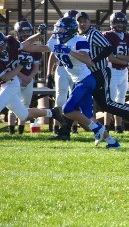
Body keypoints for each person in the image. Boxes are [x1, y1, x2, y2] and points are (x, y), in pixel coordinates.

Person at [22, 18, 119, 148]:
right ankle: (112, 142)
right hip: (79, 81)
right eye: (57, 27)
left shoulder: (79, 40)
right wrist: (39, 34)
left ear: (70, 29)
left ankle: (97, 131)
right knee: (90, 118)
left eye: (61, 28)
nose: (57, 30)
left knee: (67, 110)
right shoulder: (55, 40)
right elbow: (25, 46)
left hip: (86, 80)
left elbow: (89, 61)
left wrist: (69, 51)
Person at [2, 29, 66, 135]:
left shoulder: (10, 42)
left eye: (3, 45)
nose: (3, 48)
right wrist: (21, 66)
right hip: (6, 82)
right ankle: (52, 112)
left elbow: (25, 44)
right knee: (23, 114)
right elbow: (4, 77)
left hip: (11, 84)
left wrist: (40, 33)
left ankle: (17, 131)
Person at [6, 21, 42, 134]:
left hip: (28, 79)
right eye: (23, 31)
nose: (26, 34)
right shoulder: (13, 47)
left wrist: (29, 77)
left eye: (28, 31)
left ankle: (20, 131)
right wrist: (22, 76)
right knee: (13, 106)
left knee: (25, 105)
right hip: (15, 78)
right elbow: (10, 66)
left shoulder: (35, 49)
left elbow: (36, 66)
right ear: (17, 33)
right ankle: (11, 131)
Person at [103, 12, 129, 134]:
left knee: (121, 100)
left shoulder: (127, 37)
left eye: (121, 22)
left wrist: (119, 57)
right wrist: (124, 60)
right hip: (112, 70)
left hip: (123, 72)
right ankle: (106, 126)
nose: (118, 25)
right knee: (110, 101)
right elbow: (110, 58)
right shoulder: (108, 35)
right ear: (112, 23)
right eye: (116, 22)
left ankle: (118, 126)